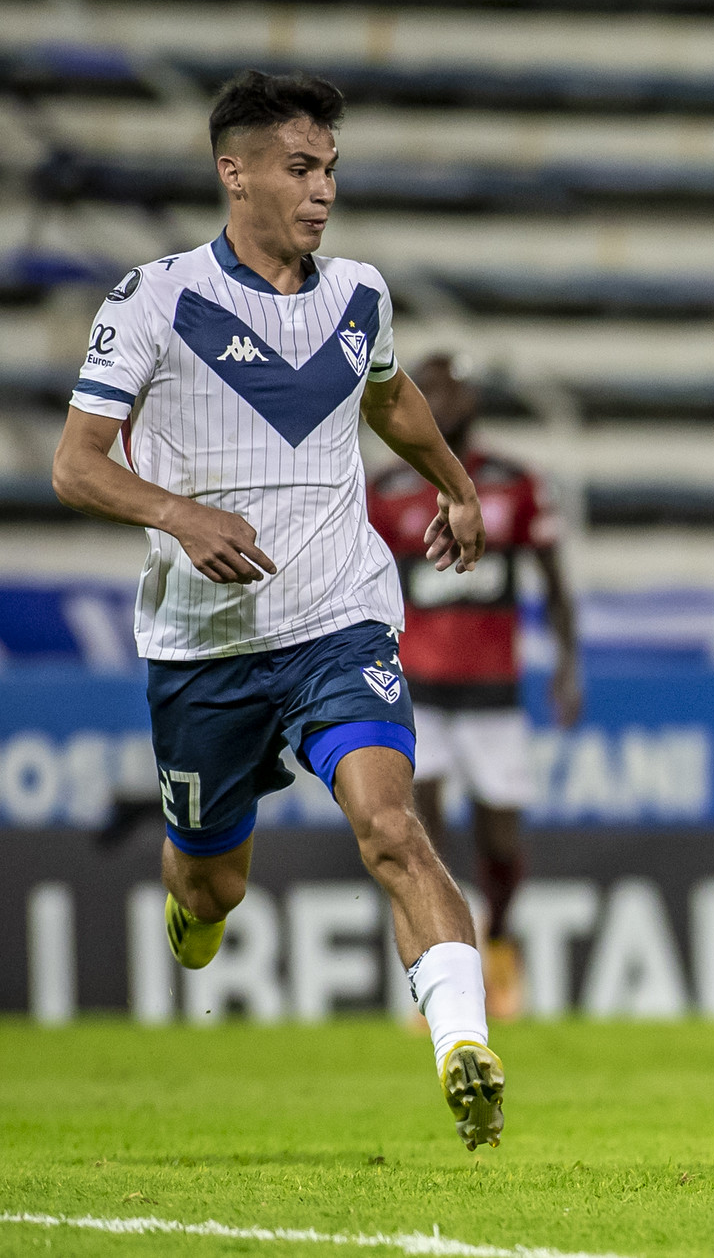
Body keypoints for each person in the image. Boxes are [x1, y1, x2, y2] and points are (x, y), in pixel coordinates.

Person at [49, 69, 506, 1150]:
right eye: (300, 168)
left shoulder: (361, 295)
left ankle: (463, 1046)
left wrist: (453, 482)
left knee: (393, 825)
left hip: (340, 617)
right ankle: (191, 894)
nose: (322, 192)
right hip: (204, 646)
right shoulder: (154, 301)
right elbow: (75, 465)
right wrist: (179, 514)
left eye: (331, 170)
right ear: (235, 170)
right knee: (213, 887)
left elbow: (388, 392)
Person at [367, 353, 581, 1021]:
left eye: (453, 389)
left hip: (493, 689)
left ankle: (502, 945)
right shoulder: (387, 489)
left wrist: (568, 662)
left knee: (499, 838)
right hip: (419, 689)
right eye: (430, 388)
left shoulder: (515, 483)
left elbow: (553, 580)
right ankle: (436, 963)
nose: (444, 399)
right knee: (416, 831)